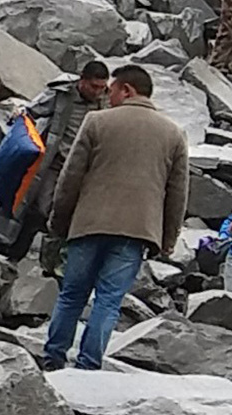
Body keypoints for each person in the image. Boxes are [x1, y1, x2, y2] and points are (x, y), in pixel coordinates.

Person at [39, 65, 189, 372]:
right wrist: (167, 240)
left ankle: (53, 359)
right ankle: (89, 367)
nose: (108, 97)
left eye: (113, 91)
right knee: (108, 301)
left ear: (127, 90)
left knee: (72, 295)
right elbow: (177, 195)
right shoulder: (174, 134)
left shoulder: (96, 122)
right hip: (136, 233)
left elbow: (70, 178)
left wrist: (58, 220)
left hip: (88, 225)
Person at [22, 61, 114, 271]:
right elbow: (31, 111)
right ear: (82, 80)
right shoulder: (61, 94)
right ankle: (24, 254)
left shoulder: (108, 100)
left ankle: (58, 263)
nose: (98, 92)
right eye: (93, 87)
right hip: (56, 163)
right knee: (44, 208)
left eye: (102, 87)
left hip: (87, 170)